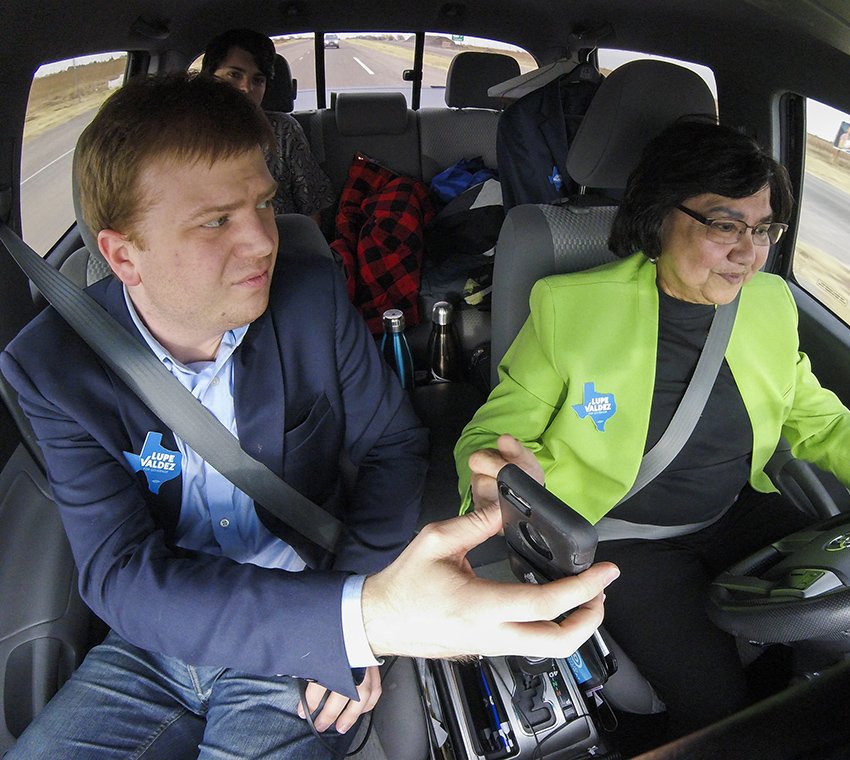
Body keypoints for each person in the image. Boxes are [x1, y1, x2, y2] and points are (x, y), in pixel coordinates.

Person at [1, 73, 618, 759]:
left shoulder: (309, 298)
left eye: (262, 205)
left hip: (304, 621)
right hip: (156, 641)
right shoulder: (55, 365)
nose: (263, 242)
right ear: (122, 255)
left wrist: (347, 604)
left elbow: (393, 443)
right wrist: (359, 619)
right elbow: (118, 572)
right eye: (216, 221)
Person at [455, 118, 850, 742]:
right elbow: (496, 430)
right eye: (725, 225)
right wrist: (494, 481)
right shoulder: (569, 308)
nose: (748, 252)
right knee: (720, 714)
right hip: (625, 541)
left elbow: (812, 415)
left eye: (763, 228)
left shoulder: (769, 303)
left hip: (735, 511)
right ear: (662, 215)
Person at [201, 28, 335, 224]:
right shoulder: (183, 136)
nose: (246, 88)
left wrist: (310, 250)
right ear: (209, 76)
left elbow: (311, 204)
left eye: (258, 80)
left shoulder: (282, 130)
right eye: (234, 75)